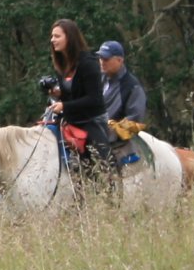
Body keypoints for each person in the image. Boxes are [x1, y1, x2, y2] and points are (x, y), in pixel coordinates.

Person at [44, 18, 113, 184]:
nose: (52, 40)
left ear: (70, 37)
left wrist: (64, 106)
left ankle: (111, 196)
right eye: (52, 36)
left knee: (104, 165)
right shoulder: (61, 64)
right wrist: (58, 94)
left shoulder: (88, 63)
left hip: (91, 121)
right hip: (71, 120)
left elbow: (94, 99)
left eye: (57, 36)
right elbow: (73, 94)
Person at [97, 41, 149, 125]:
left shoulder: (132, 86)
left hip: (112, 137)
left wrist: (112, 128)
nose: (102, 62)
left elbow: (135, 119)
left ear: (119, 60)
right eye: (100, 57)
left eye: (106, 58)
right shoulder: (97, 79)